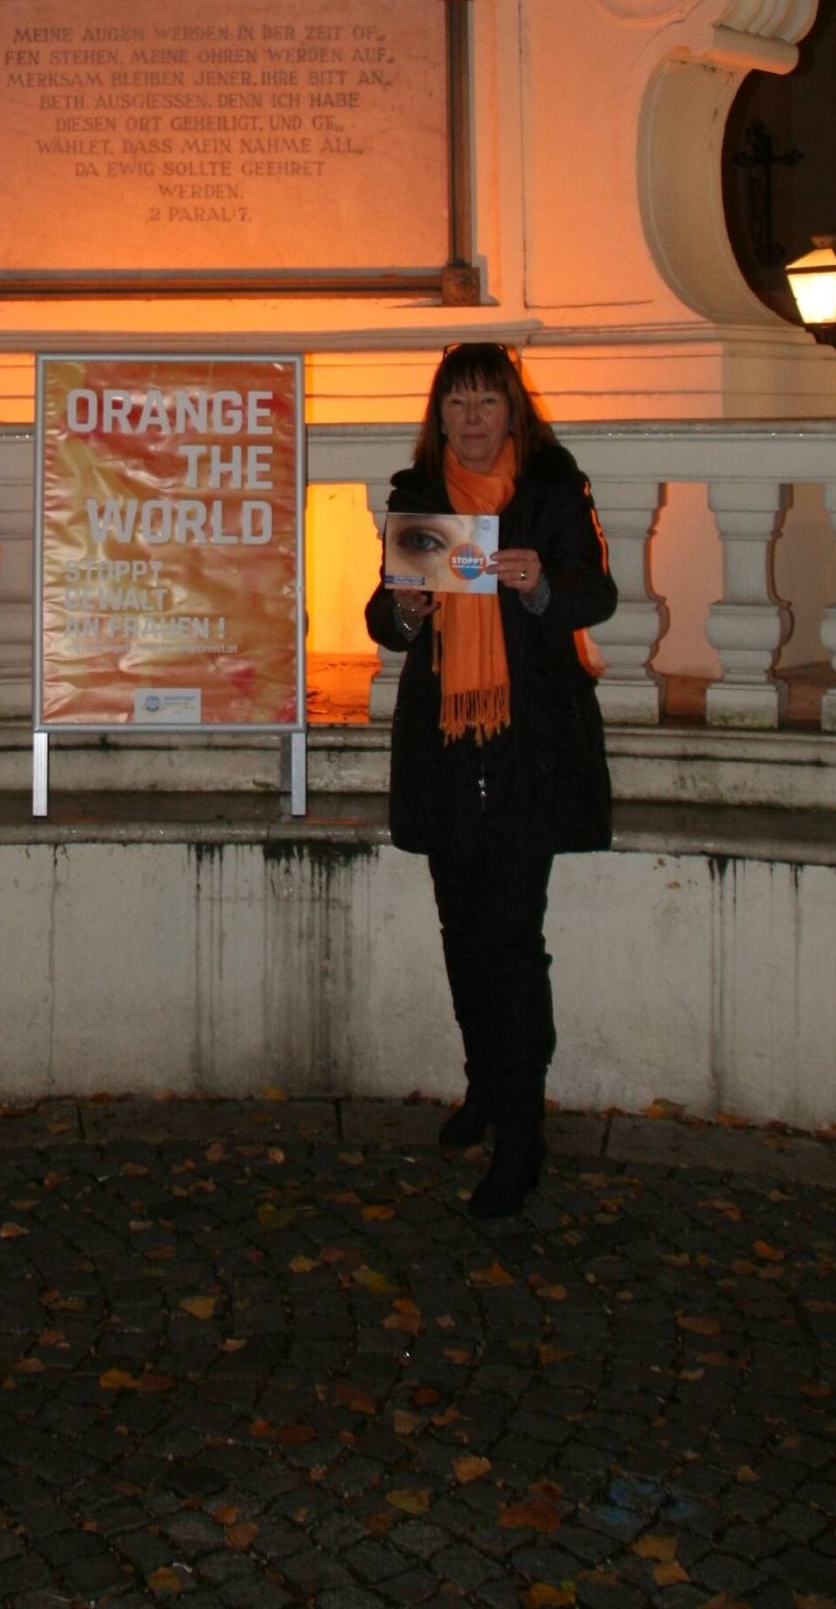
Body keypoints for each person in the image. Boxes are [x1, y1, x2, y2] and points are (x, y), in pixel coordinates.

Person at [365, 345, 616, 1220]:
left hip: (527, 742)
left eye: (487, 403)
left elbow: (596, 596)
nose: (472, 420)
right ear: (438, 418)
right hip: (443, 741)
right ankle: (482, 1083)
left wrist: (543, 584)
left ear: (514, 413)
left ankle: (521, 1132)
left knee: (512, 941)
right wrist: (405, 609)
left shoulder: (550, 489)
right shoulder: (416, 499)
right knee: (461, 929)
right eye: (457, 405)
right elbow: (383, 612)